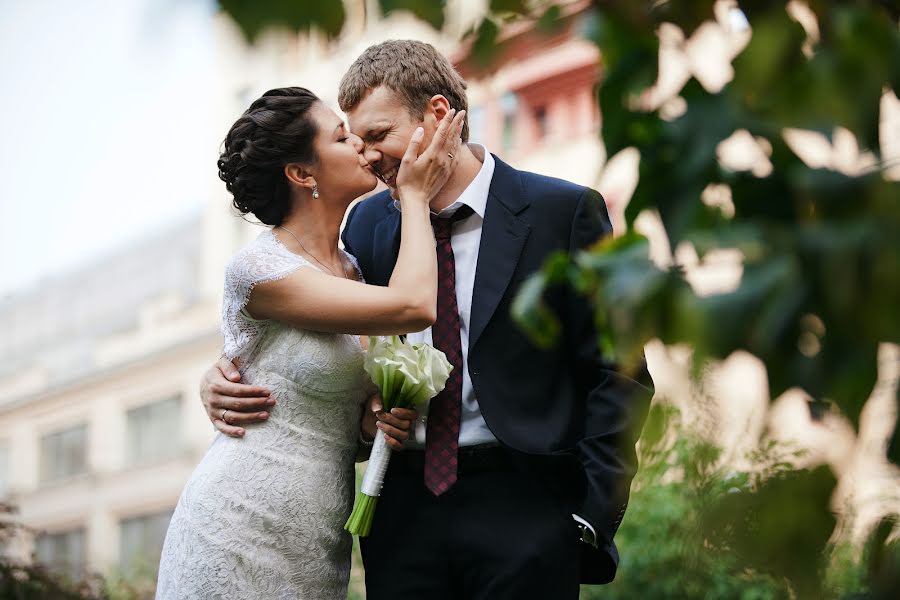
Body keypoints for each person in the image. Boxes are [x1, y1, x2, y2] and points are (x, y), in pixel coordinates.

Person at [200, 41, 653, 599]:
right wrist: (224, 372)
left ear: (437, 115)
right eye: (352, 139)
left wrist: (592, 513)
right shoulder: (364, 226)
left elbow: (618, 372)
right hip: (401, 512)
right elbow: (322, 329)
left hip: (527, 507)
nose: (365, 156)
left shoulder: (561, 211)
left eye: (376, 136)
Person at [155, 86, 465, 599]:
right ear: (302, 174)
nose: (364, 149)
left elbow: (341, 416)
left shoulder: (354, 270)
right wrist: (413, 194)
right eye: (343, 138)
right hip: (237, 523)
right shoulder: (260, 270)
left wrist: (373, 421)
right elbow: (414, 305)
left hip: (317, 537)